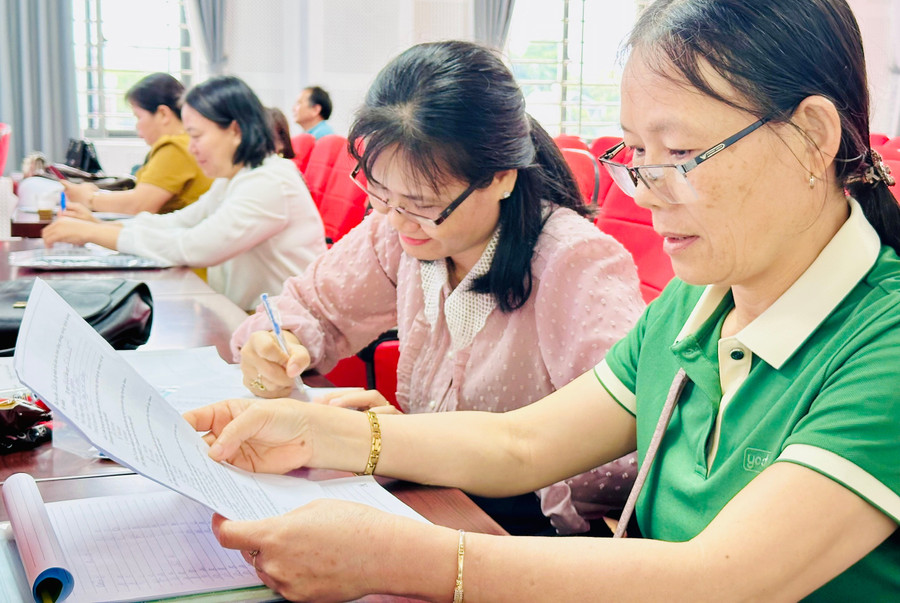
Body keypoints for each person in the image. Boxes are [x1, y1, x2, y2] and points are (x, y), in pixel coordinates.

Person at [186, 0, 900, 601]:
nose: (645, 190)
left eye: (679, 152)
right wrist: (314, 430)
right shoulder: (697, 303)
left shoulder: (882, 344)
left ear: (813, 137)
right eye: (635, 153)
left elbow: (723, 579)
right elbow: (524, 443)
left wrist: (400, 557)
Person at [232, 40, 645, 535]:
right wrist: (276, 346)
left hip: (527, 536)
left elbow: (626, 454)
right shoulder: (397, 230)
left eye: (423, 203)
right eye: (378, 191)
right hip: (430, 499)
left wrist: (410, 442)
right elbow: (309, 307)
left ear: (501, 178)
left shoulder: (574, 263)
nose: (396, 219)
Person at [43, 76, 328, 311]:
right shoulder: (236, 178)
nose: (191, 147)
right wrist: (104, 227)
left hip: (288, 332)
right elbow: (178, 222)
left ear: (235, 131)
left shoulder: (269, 182)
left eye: (197, 135)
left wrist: (93, 233)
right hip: (252, 317)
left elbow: (193, 247)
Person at [62, 73, 213, 214]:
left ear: (163, 114)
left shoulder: (175, 147)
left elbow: (139, 204)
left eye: (139, 117)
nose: (137, 126)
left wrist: (89, 198)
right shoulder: (184, 141)